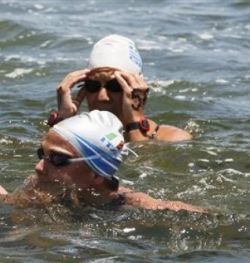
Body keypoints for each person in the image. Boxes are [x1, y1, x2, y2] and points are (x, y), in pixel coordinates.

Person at [25, 110, 203, 212]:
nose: (39, 167)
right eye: (42, 153)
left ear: (97, 173)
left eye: (57, 159)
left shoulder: (140, 207)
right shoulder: (37, 190)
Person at [53, 34, 192, 142]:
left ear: (138, 89)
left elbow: (141, 171)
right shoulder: (76, 136)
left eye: (115, 85)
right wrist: (63, 121)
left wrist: (134, 123)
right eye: (93, 85)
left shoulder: (173, 138)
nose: (102, 97)